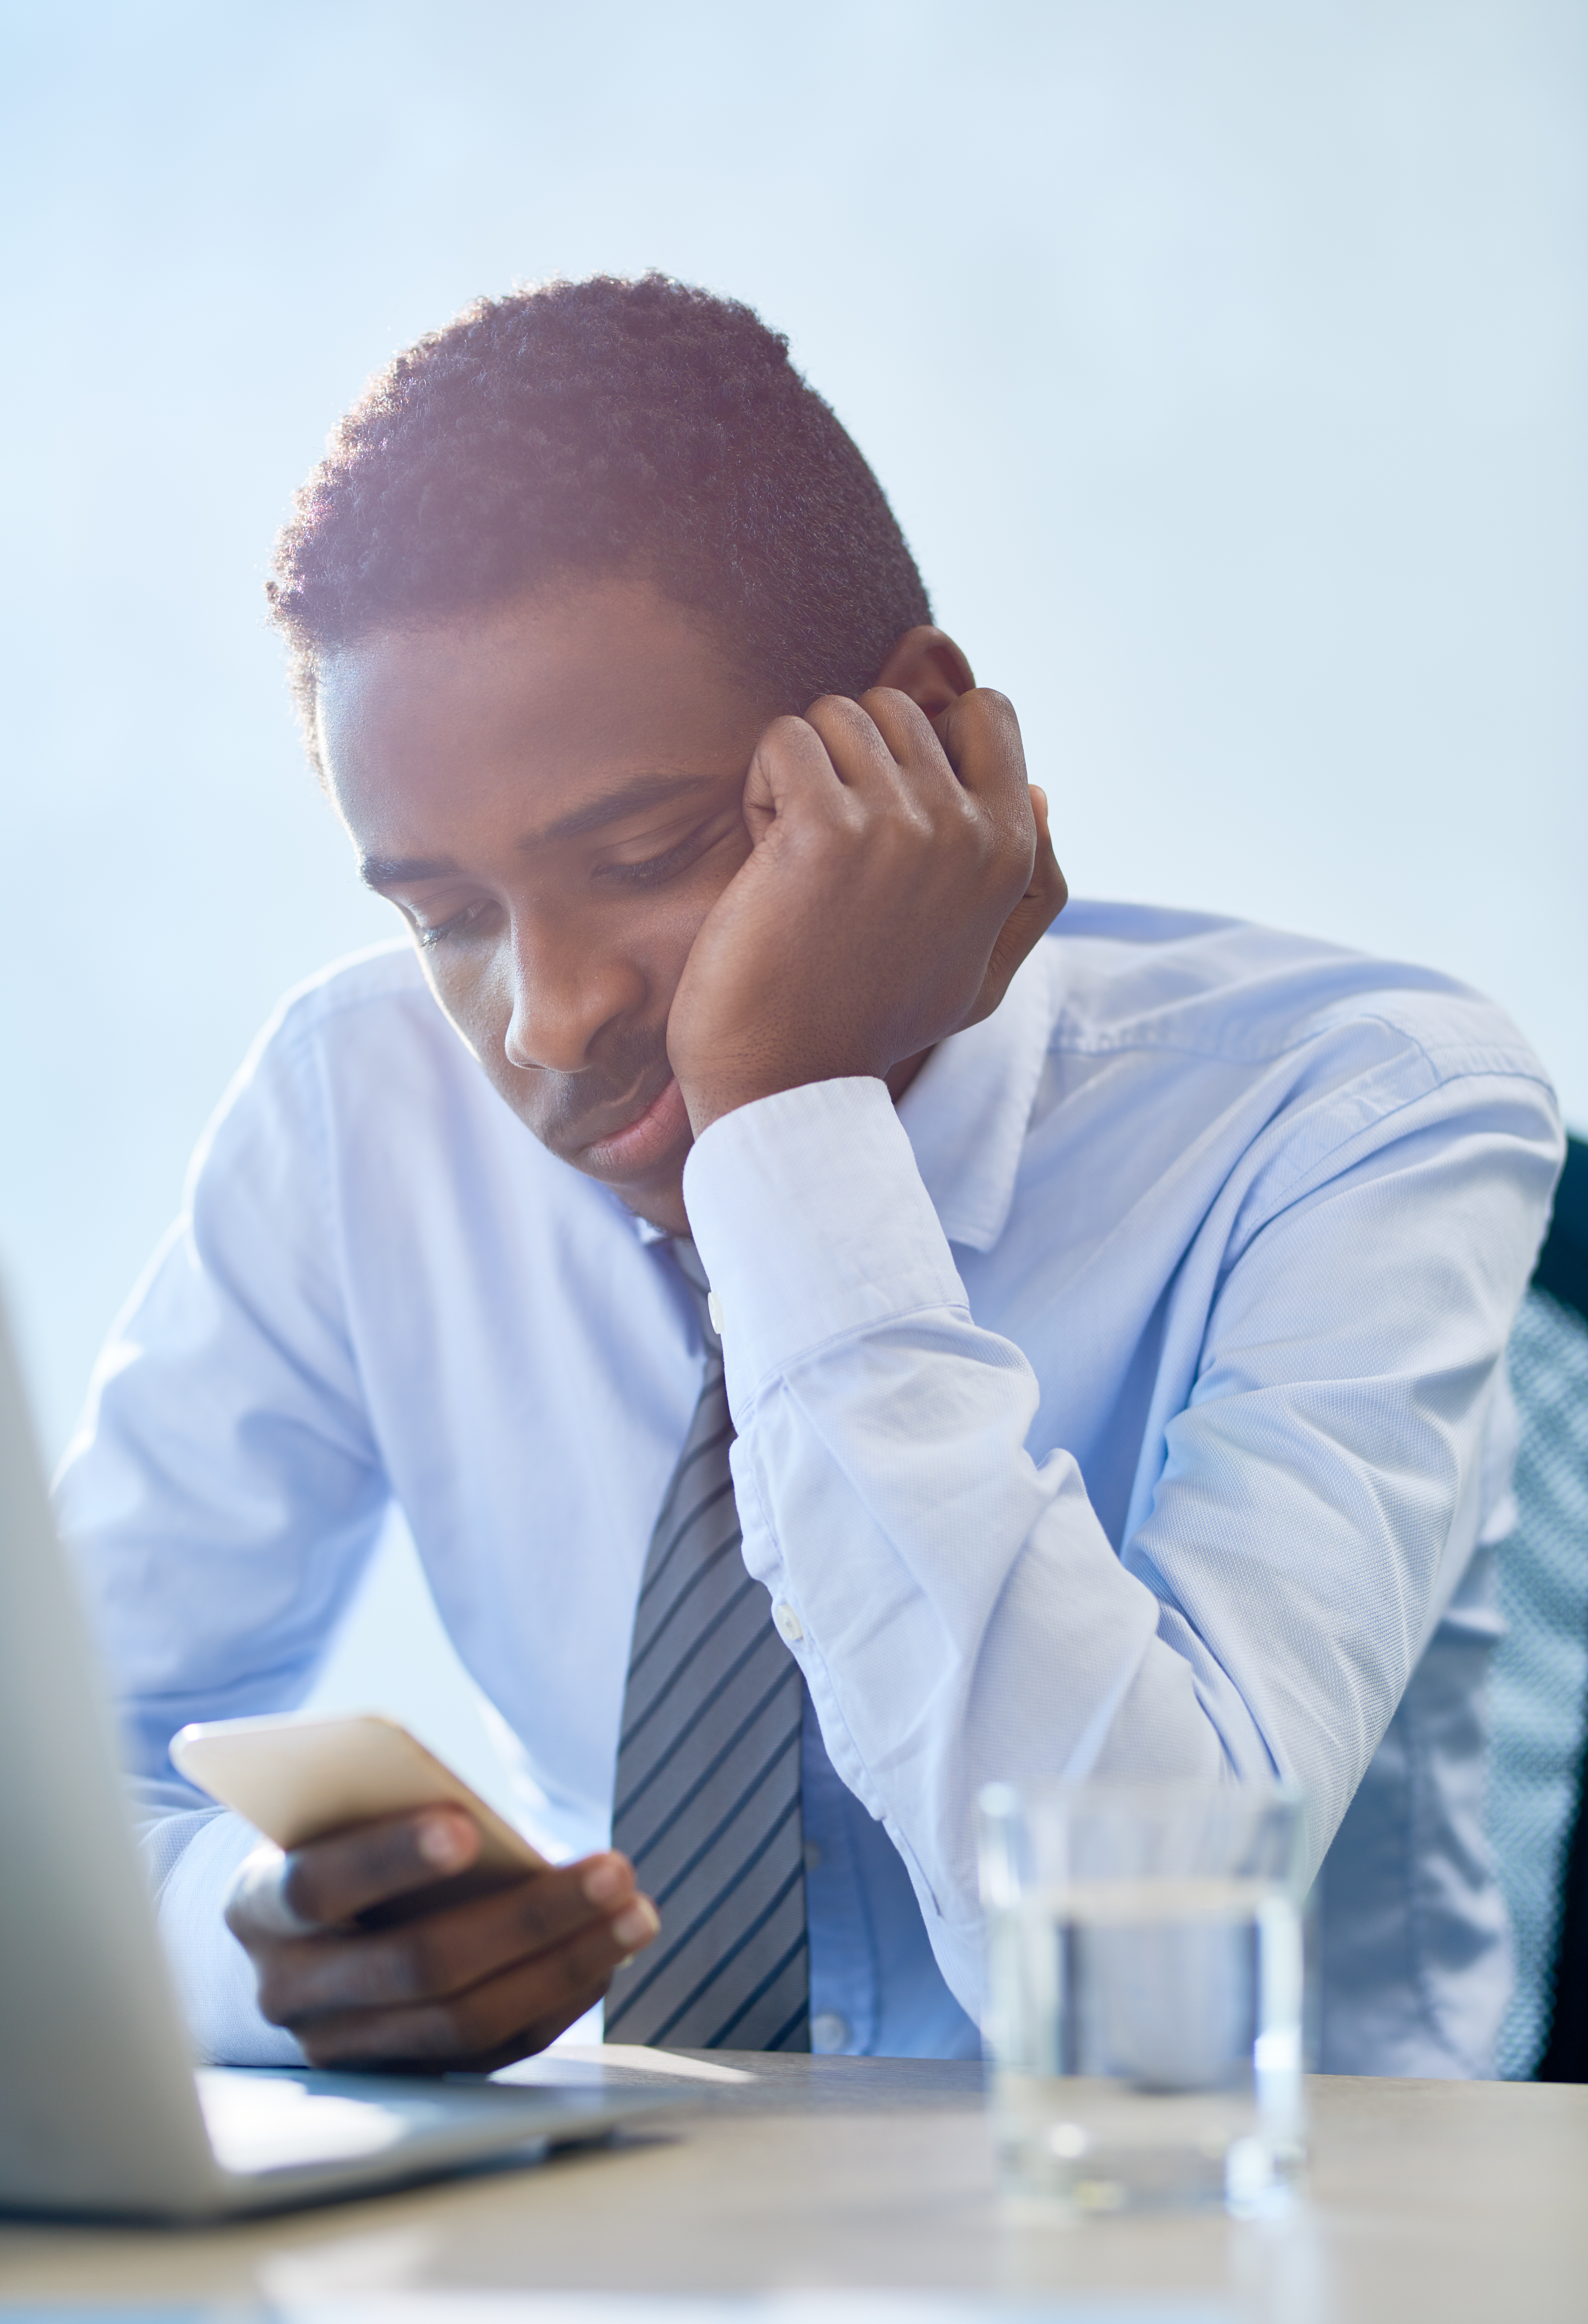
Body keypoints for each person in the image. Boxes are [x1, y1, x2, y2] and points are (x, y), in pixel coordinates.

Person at [58, 276, 1561, 2078]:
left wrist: (789, 1135)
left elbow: (1149, 1985)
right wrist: (255, 1947)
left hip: (1265, 2286)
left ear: (915, 729)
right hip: (634, 2273)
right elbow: (56, 1797)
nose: (547, 1019)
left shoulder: (1363, 1113)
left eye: (648, 850)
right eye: (446, 916)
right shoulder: (354, 1107)